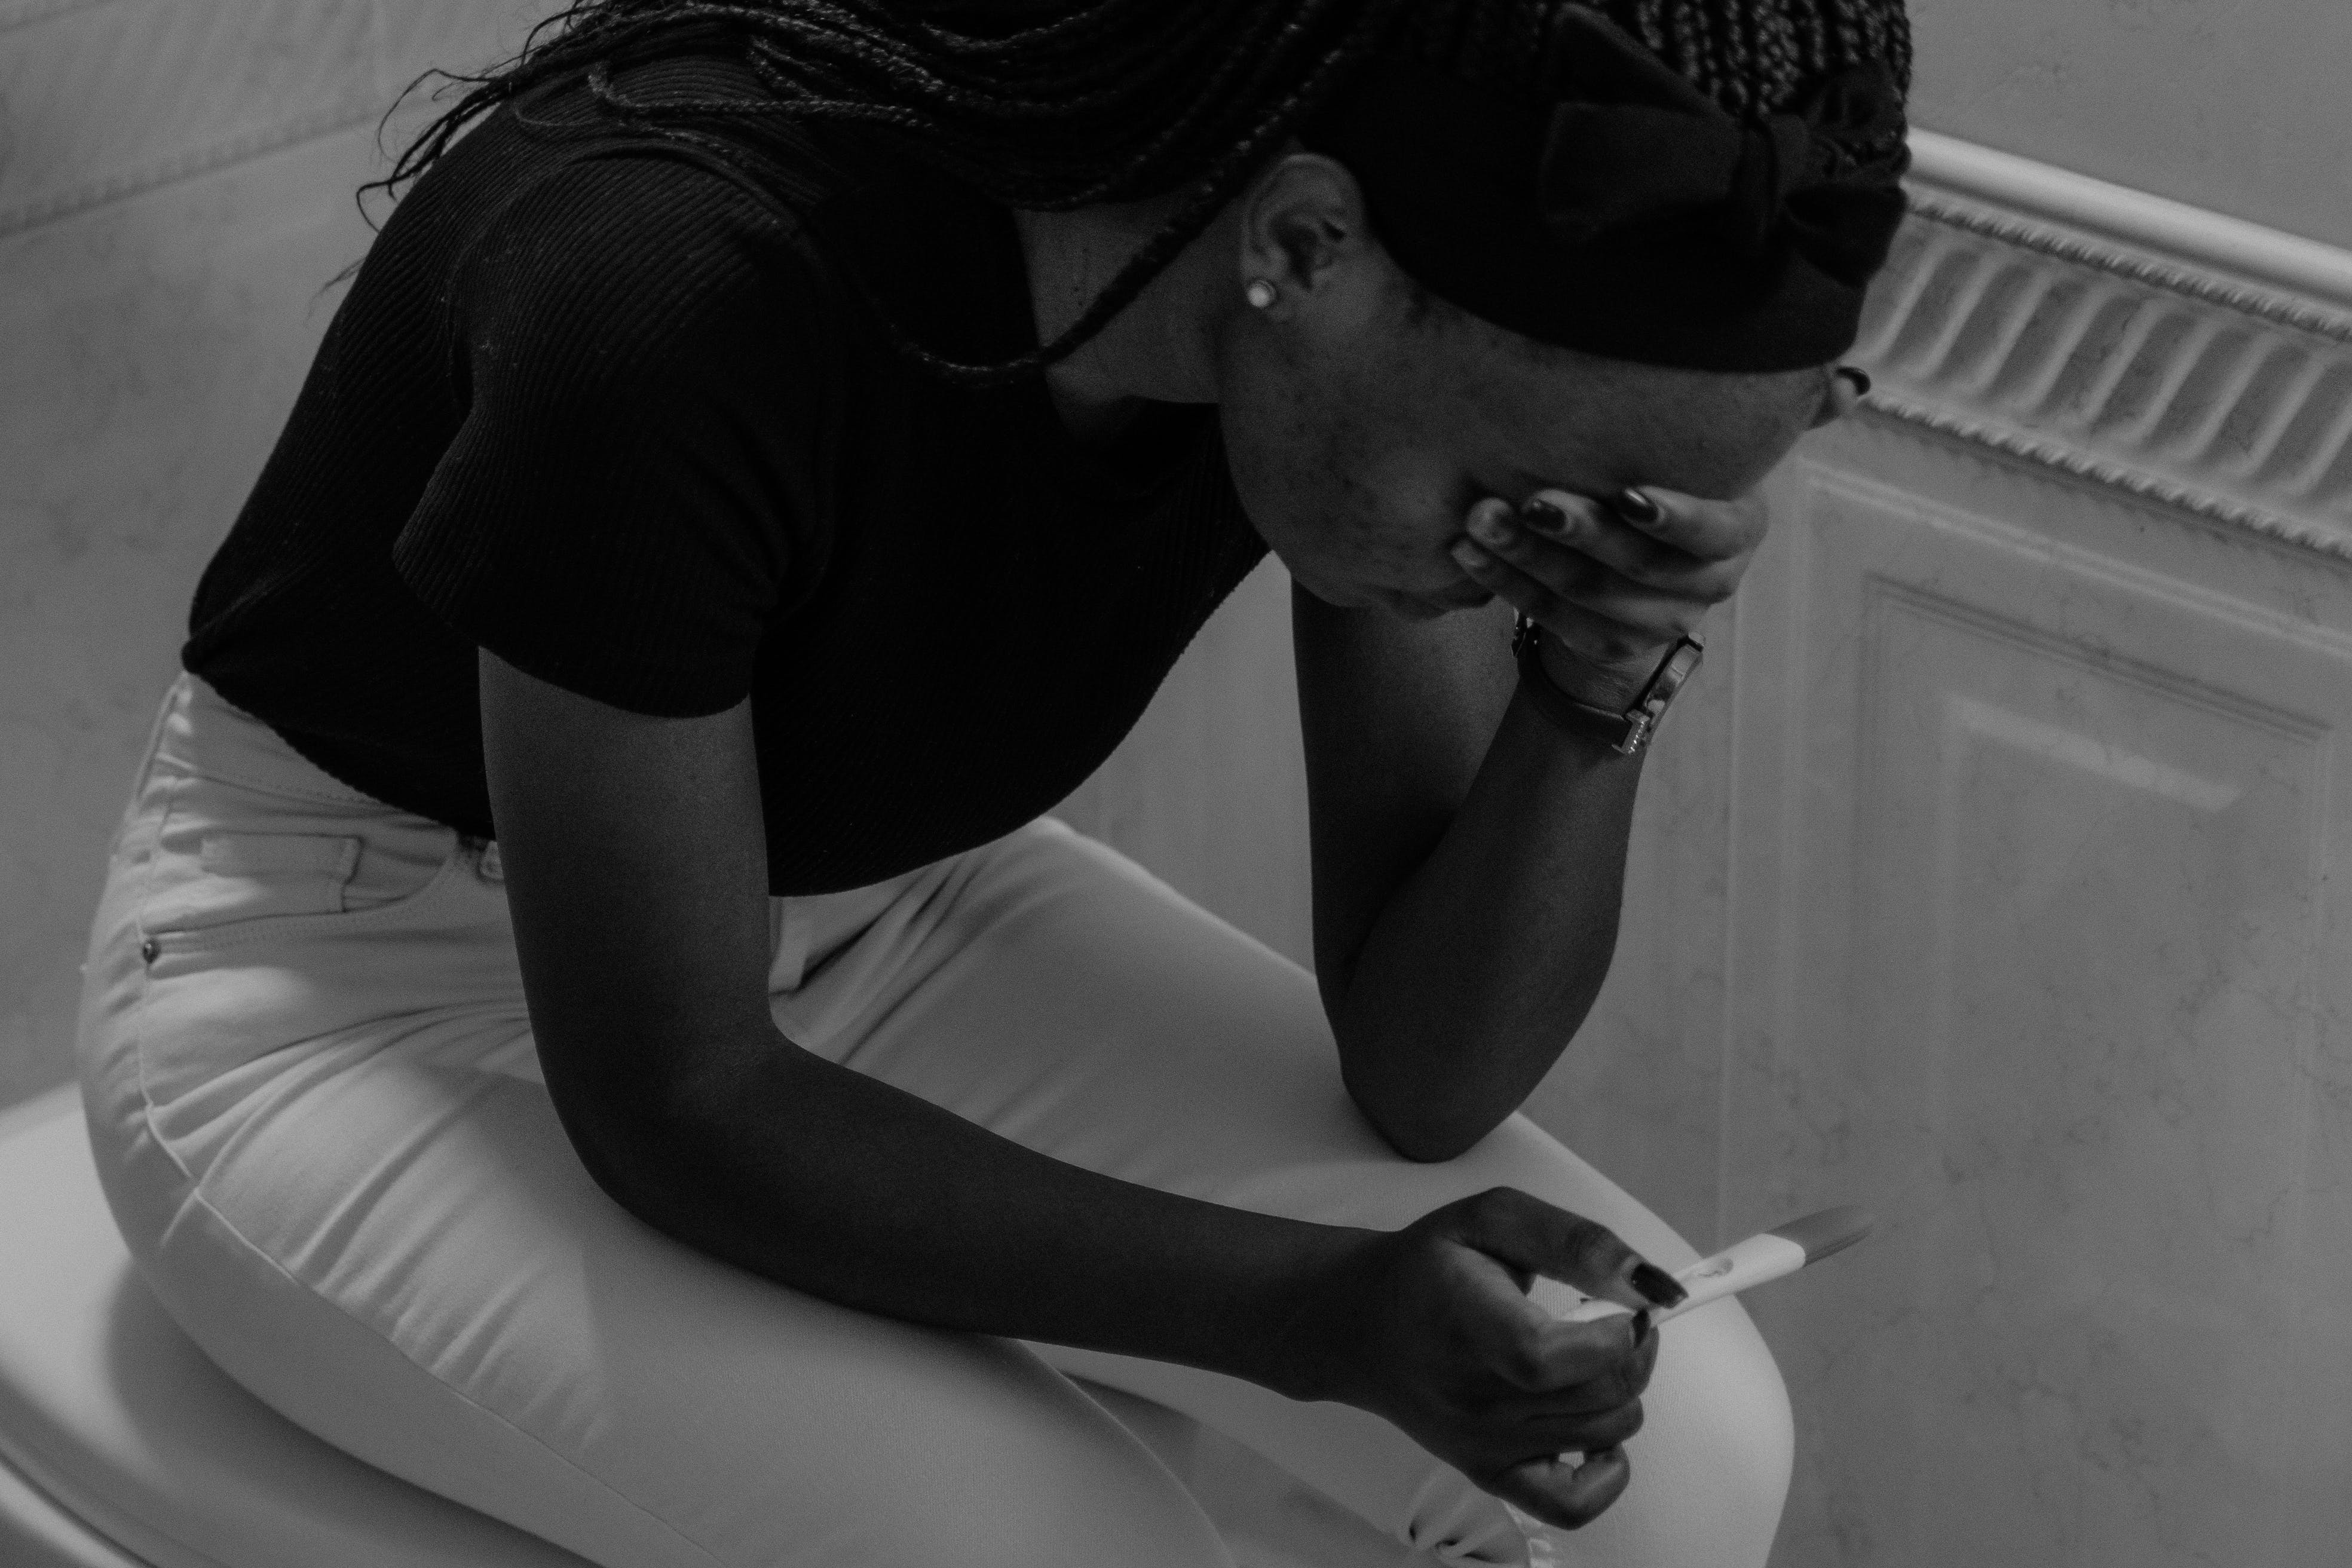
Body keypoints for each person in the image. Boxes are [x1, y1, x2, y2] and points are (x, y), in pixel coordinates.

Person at [74, 1, 1913, 1563]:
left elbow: (1428, 1075)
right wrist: (1312, 1314)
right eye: (1524, 510)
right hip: (356, 998)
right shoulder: (666, 291)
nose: (1522, 565)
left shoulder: (1325, 287)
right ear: (1304, 250)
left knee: (1691, 1457)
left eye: (1603, 535)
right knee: (1066, 1547)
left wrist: (1597, 676)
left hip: (891, 908)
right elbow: (678, 1097)